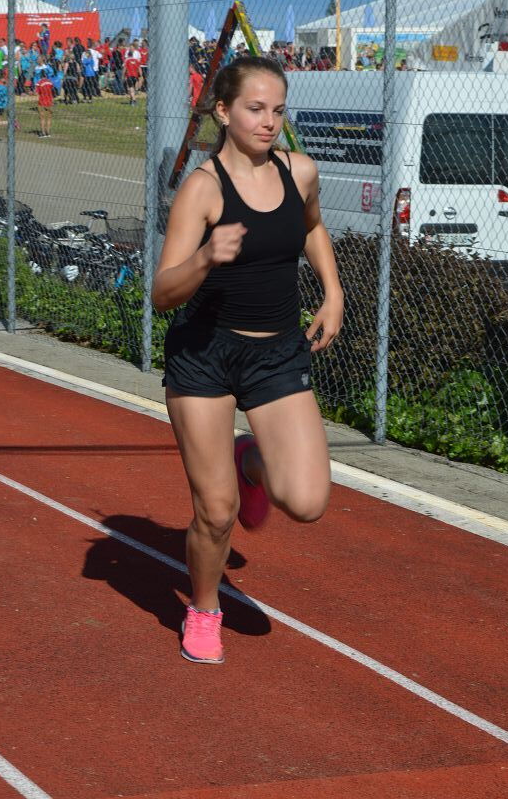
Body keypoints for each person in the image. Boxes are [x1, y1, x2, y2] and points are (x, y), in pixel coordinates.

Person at [151, 56, 344, 665]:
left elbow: (311, 227)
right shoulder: (203, 189)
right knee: (216, 512)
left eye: (278, 111)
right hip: (205, 355)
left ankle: (251, 461)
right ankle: (204, 608)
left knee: (307, 502)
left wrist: (333, 292)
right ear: (223, 111)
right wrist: (206, 257)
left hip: (276, 352)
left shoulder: (300, 171)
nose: (269, 122)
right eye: (255, 109)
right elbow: (162, 292)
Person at [35, 71, 54, 137]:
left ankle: (43, 133)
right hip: (49, 101)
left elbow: (37, 93)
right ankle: (48, 132)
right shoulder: (50, 82)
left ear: (40, 76)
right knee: (49, 118)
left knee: (42, 118)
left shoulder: (39, 83)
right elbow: (52, 90)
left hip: (42, 101)